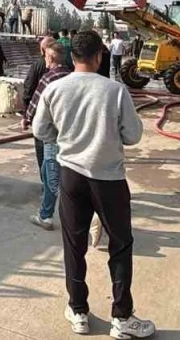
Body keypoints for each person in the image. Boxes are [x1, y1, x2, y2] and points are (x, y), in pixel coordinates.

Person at [32, 30, 155, 339]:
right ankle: (122, 318)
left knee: (74, 245)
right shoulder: (115, 91)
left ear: (72, 56)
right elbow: (133, 135)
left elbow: (40, 130)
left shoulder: (55, 88)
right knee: (120, 245)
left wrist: (66, 137)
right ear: (99, 56)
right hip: (109, 179)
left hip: (72, 175)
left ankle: (78, 311)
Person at [23, 42, 71, 230]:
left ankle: (46, 216)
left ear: (50, 58)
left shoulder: (49, 78)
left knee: (51, 176)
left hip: (52, 135)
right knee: (63, 173)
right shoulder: (72, 76)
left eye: (45, 57)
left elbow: (36, 103)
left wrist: (27, 119)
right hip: (72, 135)